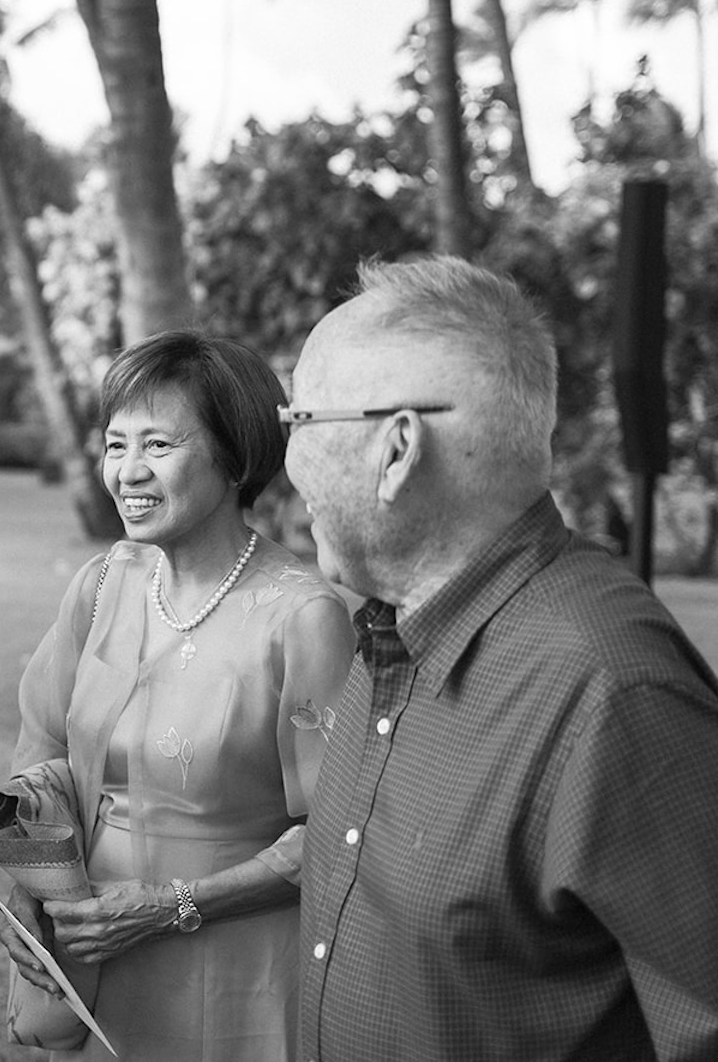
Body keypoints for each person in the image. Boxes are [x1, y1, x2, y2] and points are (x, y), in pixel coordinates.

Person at [286, 256, 718, 1060]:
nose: (287, 463)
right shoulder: (391, 630)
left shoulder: (612, 693)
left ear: (398, 449)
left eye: (300, 422)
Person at [2, 330, 356, 1061]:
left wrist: (174, 907)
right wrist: (37, 894)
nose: (128, 471)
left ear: (235, 457)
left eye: (158, 445)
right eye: (114, 445)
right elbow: (39, 747)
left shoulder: (304, 618)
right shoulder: (104, 585)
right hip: (96, 953)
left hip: (238, 968)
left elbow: (335, 834)